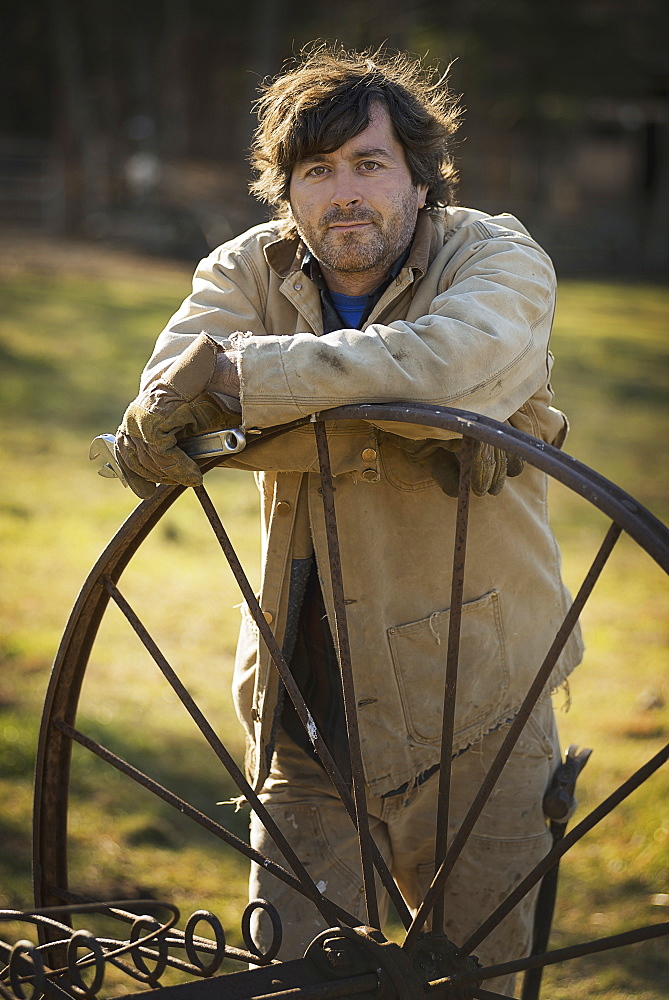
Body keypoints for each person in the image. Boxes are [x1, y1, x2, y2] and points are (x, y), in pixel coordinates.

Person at [113, 45, 583, 995]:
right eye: (316, 171)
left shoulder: (494, 257)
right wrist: (413, 428)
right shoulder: (244, 268)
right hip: (303, 702)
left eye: (369, 164)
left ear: (418, 177)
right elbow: (162, 420)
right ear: (285, 190)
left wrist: (254, 386)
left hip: (472, 704)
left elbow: (456, 363)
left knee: (476, 983)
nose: (344, 194)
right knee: (287, 980)